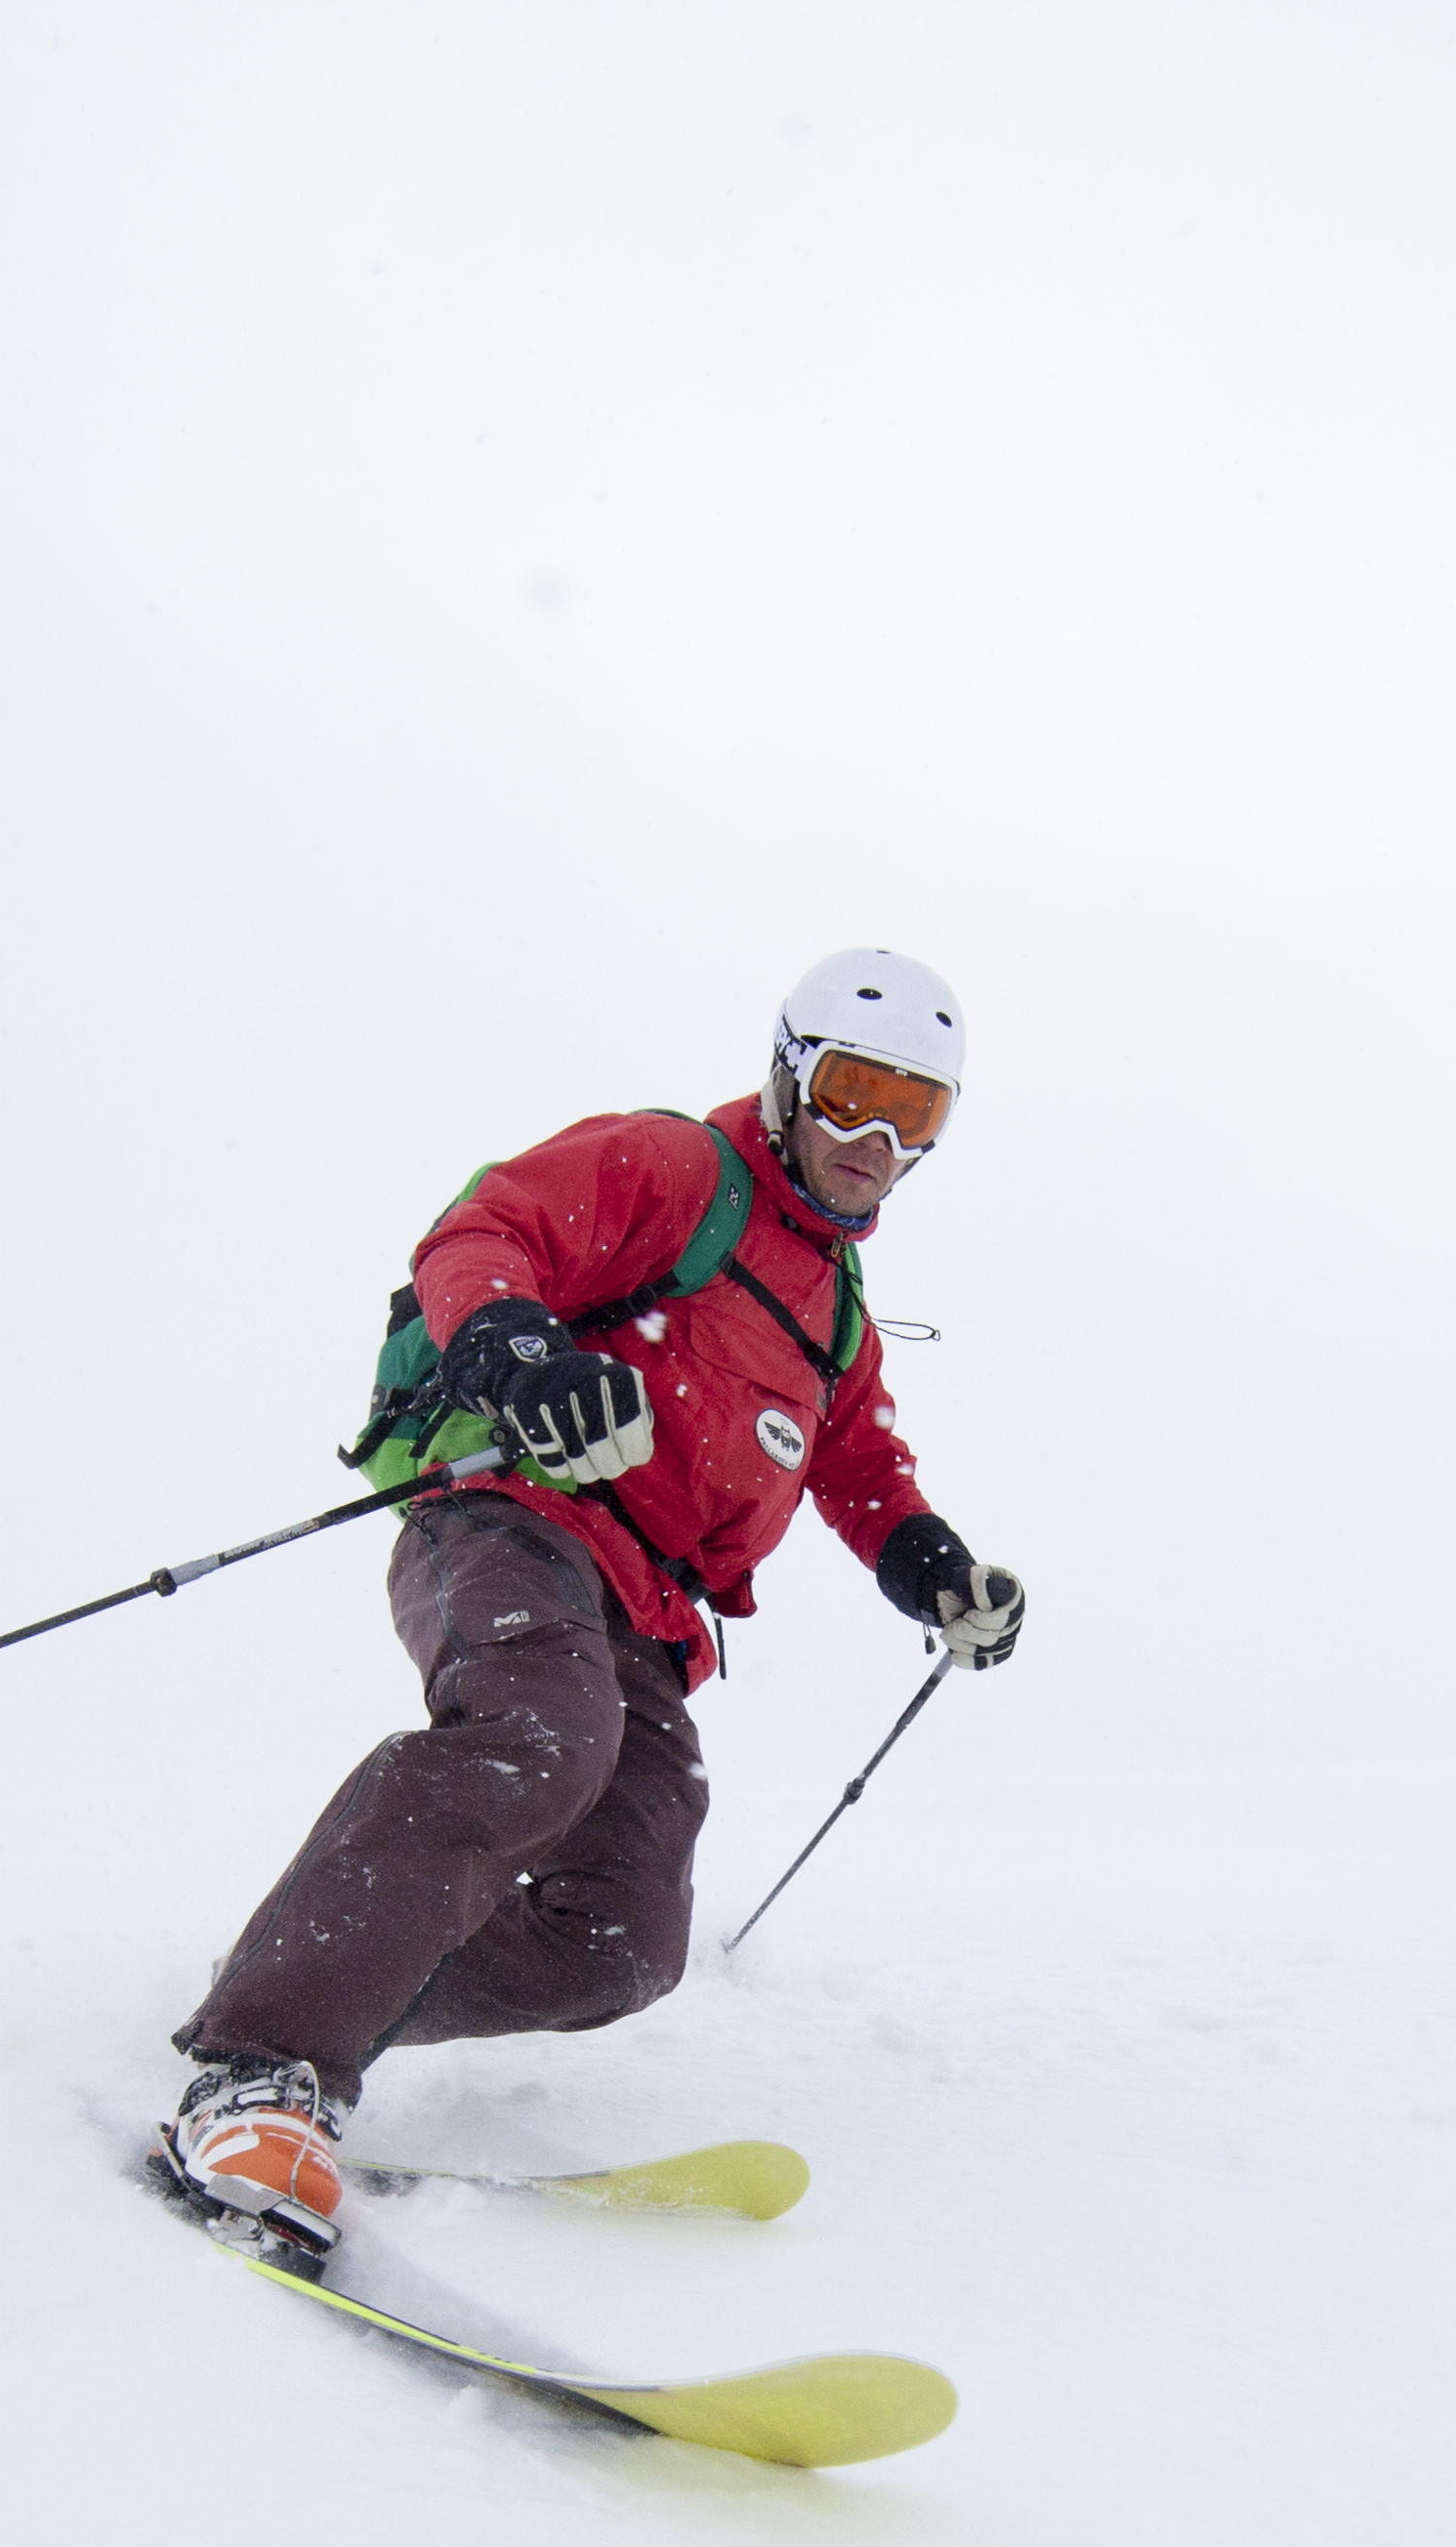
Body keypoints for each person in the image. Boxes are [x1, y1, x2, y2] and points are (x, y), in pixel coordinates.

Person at [160, 951, 1027, 2270]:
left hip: (647, 1612)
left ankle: (341, 1981)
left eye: (916, 1115)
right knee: (537, 1734)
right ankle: (260, 2060)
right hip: (512, 1520)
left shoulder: (835, 1319)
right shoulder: (679, 1173)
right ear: (790, 1075)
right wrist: (523, 1353)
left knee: (619, 1938)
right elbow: (485, 1232)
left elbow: (860, 1472)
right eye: (852, 1093)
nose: (875, 1140)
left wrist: (937, 1568)